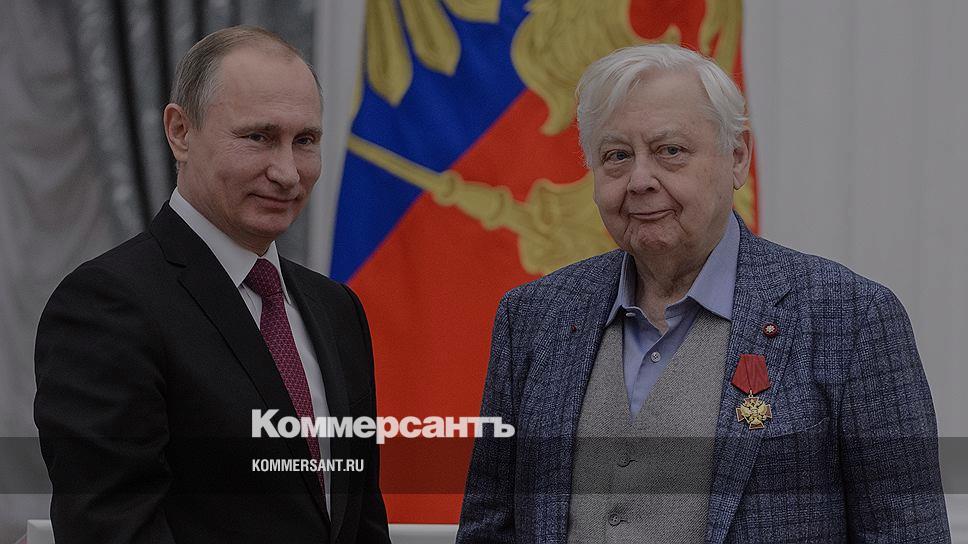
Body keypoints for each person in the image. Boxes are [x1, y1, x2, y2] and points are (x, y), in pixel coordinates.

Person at [457, 44, 950, 543]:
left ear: (737, 159)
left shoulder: (851, 319)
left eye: (670, 151)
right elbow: (489, 528)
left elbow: (907, 532)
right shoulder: (534, 317)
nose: (640, 180)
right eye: (617, 156)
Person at [34, 26, 390, 543]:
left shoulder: (337, 309)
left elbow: (360, 520)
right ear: (180, 131)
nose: (287, 172)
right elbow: (112, 527)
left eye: (305, 141)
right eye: (258, 137)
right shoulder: (106, 306)